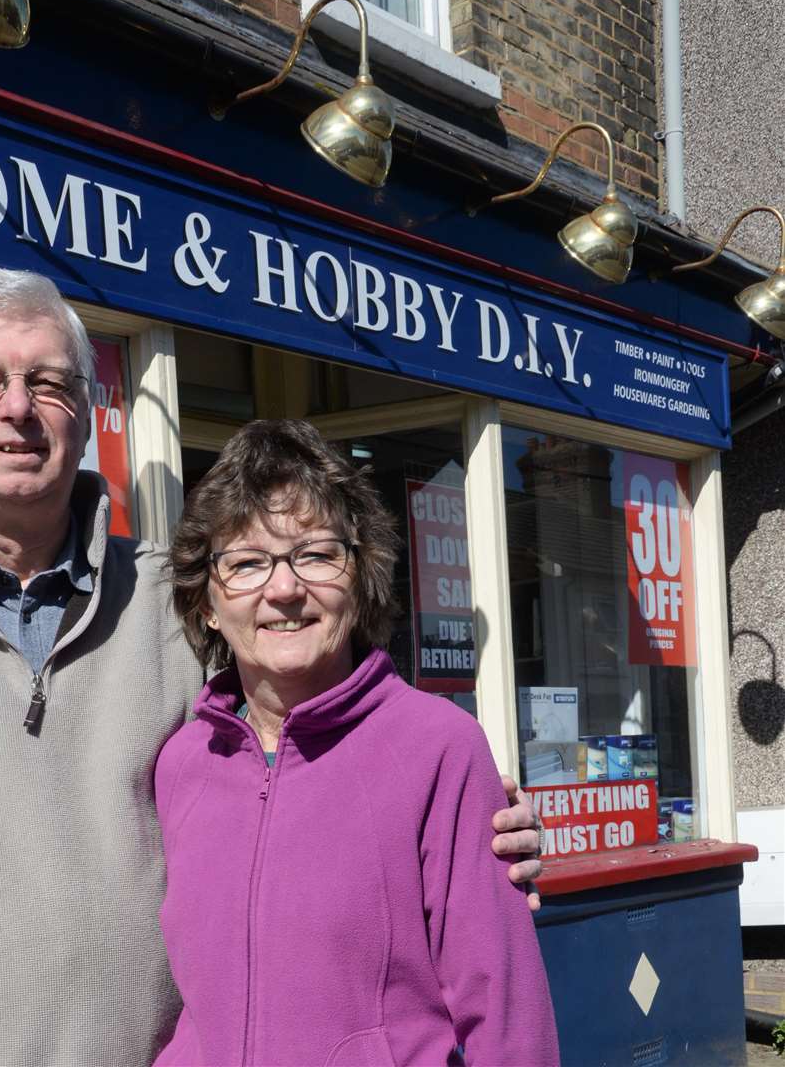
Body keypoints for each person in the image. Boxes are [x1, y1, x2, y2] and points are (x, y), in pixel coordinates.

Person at [0, 267, 545, 1066]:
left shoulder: (174, 603)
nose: (17, 407)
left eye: (48, 382)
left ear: (86, 413)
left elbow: (319, 723)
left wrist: (479, 826)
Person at [156, 419, 560, 1066]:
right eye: (247, 562)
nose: (284, 589)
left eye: (316, 554)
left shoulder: (440, 749)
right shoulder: (181, 763)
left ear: (360, 576)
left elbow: (507, 1017)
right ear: (207, 601)